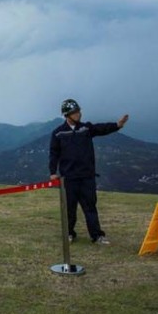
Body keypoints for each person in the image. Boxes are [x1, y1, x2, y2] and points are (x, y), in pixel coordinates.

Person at [49, 99, 129, 245]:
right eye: (75, 112)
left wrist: (117, 125)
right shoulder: (58, 133)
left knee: (90, 207)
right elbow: (54, 154)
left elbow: (101, 129)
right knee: (69, 209)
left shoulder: (86, 128)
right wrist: (53, 172)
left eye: (79, 111)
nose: (79, 114)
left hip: (87, 177)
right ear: (67, 114)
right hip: (69, 178)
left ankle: (97, 236)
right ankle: (69, 233)